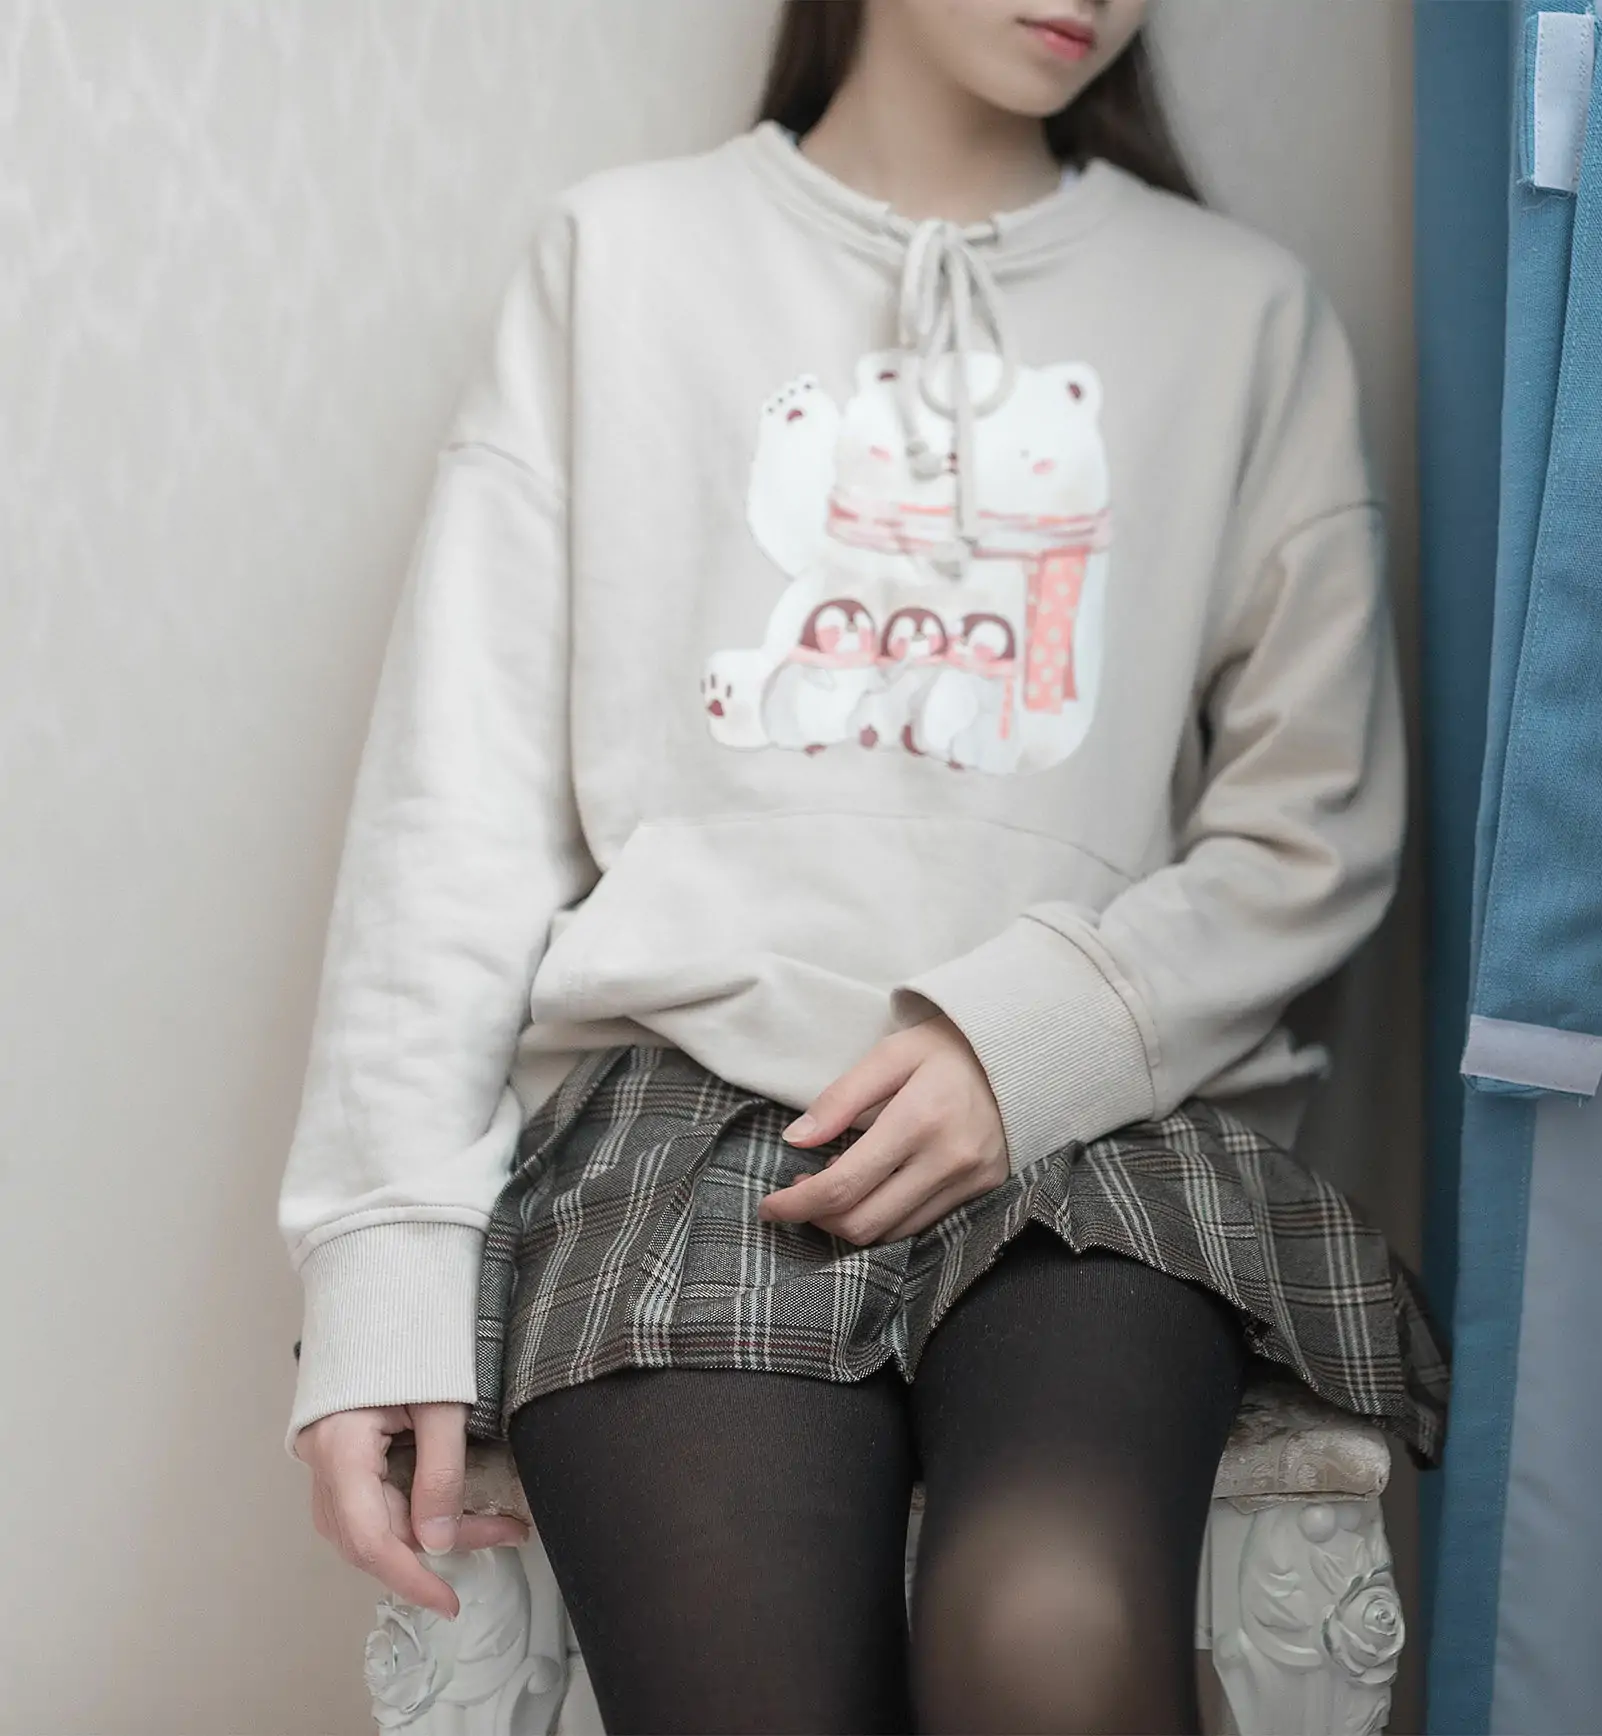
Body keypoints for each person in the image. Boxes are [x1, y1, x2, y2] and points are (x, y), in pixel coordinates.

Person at [280, 2, 1446, 1729]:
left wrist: (1026, 1041)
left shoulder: (1241, 316)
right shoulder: (622, 261)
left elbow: (1309, 827)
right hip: (678, 1135)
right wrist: (383, 1259)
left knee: (1050, 1627)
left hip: (1095, 1141)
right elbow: (454, 811)